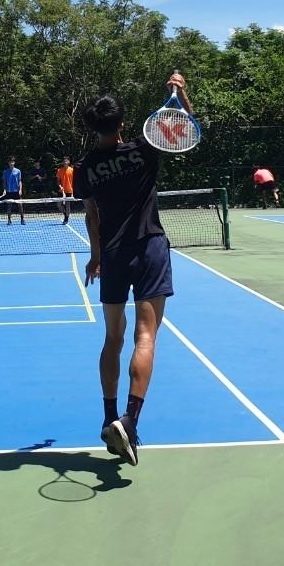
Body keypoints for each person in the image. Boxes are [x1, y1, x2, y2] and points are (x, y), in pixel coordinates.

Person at [75, 71, 193, 468]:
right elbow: (183, 130)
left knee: (113, 338)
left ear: (93, 127)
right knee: (147, 337)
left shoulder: (86, 166)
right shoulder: (144, 149)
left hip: (112, 255)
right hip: (150, 250)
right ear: (123, 123)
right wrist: (180, 93)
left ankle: (109, 416)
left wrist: (95, 257)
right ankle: (131, 421)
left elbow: (92, 217)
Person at [1, 157, 26, 225]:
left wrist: (20, 190)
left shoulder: (18, 171)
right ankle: (9, 220)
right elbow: (4, 182)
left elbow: (20, 181)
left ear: (14, 163)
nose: (11, 163)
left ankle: (22, 219)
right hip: (9, 191)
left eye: (12, 162)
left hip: (16, 191)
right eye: (10, 162)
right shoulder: (5, 172)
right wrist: (4, 190)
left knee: (20, 205)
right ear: (8, 163)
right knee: (9, 206)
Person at [56, 155, 75, 224]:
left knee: (67, 205)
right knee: (58, 204)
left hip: (69, 190)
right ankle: (65, 215)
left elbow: (74, 181)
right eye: (64, 161)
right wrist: (60, 187)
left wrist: (73, 190)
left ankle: (66, 219)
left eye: (66, 161)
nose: (65, 162)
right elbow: (58, 181)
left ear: (69, 162)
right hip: (61, 191)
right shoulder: (59, 170)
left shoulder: (72, 170)